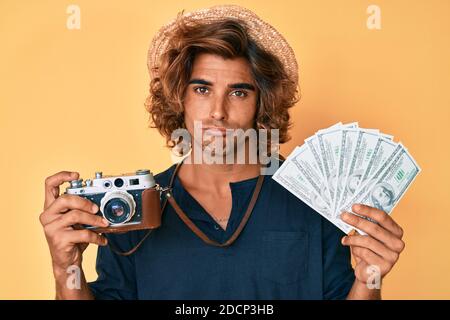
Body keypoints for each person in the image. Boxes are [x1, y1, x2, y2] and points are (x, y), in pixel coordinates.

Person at [39, 5, 405, 300]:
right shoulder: (130, 207)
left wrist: (370, 279)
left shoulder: (315, 198)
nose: (218, 111)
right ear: (179, 97)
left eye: (239, 92)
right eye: (202, 90)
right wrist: (64, 269)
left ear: (262, 103)